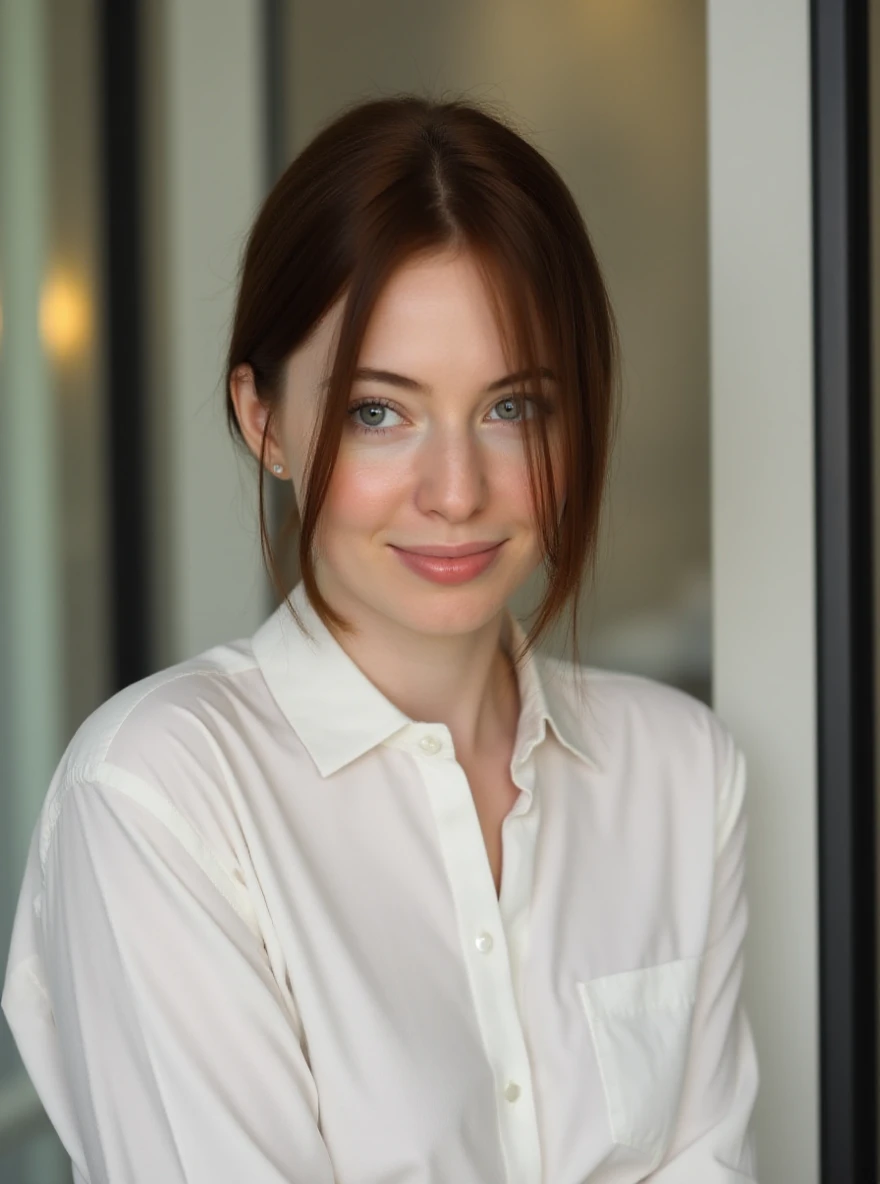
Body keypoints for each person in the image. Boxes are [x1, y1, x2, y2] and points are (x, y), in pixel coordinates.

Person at [2, 93, 759, 1183]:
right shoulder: (160, 793)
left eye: (514, 407)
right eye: (378, 412)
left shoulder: (682, 776)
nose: (456, 491)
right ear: (263, 420)